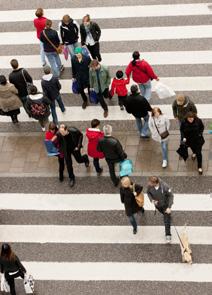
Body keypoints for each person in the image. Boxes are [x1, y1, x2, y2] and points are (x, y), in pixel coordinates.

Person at [147, 176, 174, 243]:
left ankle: (168, 234)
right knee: (166, 216)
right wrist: (152, 200)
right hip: (158, 206)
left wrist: (169, 207)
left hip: (166, 206)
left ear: (155, 183)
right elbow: (148, 193)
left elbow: (171, 196)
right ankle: (168, 216)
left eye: (151, 183)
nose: (149, 184)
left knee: (166, 221)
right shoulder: (150, 186)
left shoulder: (165, 186)